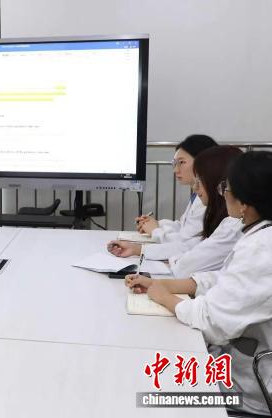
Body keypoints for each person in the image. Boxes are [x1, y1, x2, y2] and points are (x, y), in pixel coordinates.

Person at [125, 151, 272, 415]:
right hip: (242, 360)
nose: (221, 193)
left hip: (249, 387)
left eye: (226, 188)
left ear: (245, 204)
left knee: (150, 393)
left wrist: (166, 298)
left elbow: (211, 322)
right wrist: (171, 286)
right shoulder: (260, 235)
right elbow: (228, 278)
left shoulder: (261, 248)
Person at [109, 146, 243, 277]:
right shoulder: (225, 218)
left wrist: (156, 233)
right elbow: (194, 244)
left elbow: (187, 258)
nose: (196, 187)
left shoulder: (232, 225)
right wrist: (139, 248)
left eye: (182, 162)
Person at [136, 135, 218, 256]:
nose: (175, 170)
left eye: (181, 162)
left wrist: (155, 231)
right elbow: (183, 226)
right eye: (174, 163)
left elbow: (185, 242)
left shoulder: (208, 199)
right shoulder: (198, 195)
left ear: (204, 161)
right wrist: (156, 224)